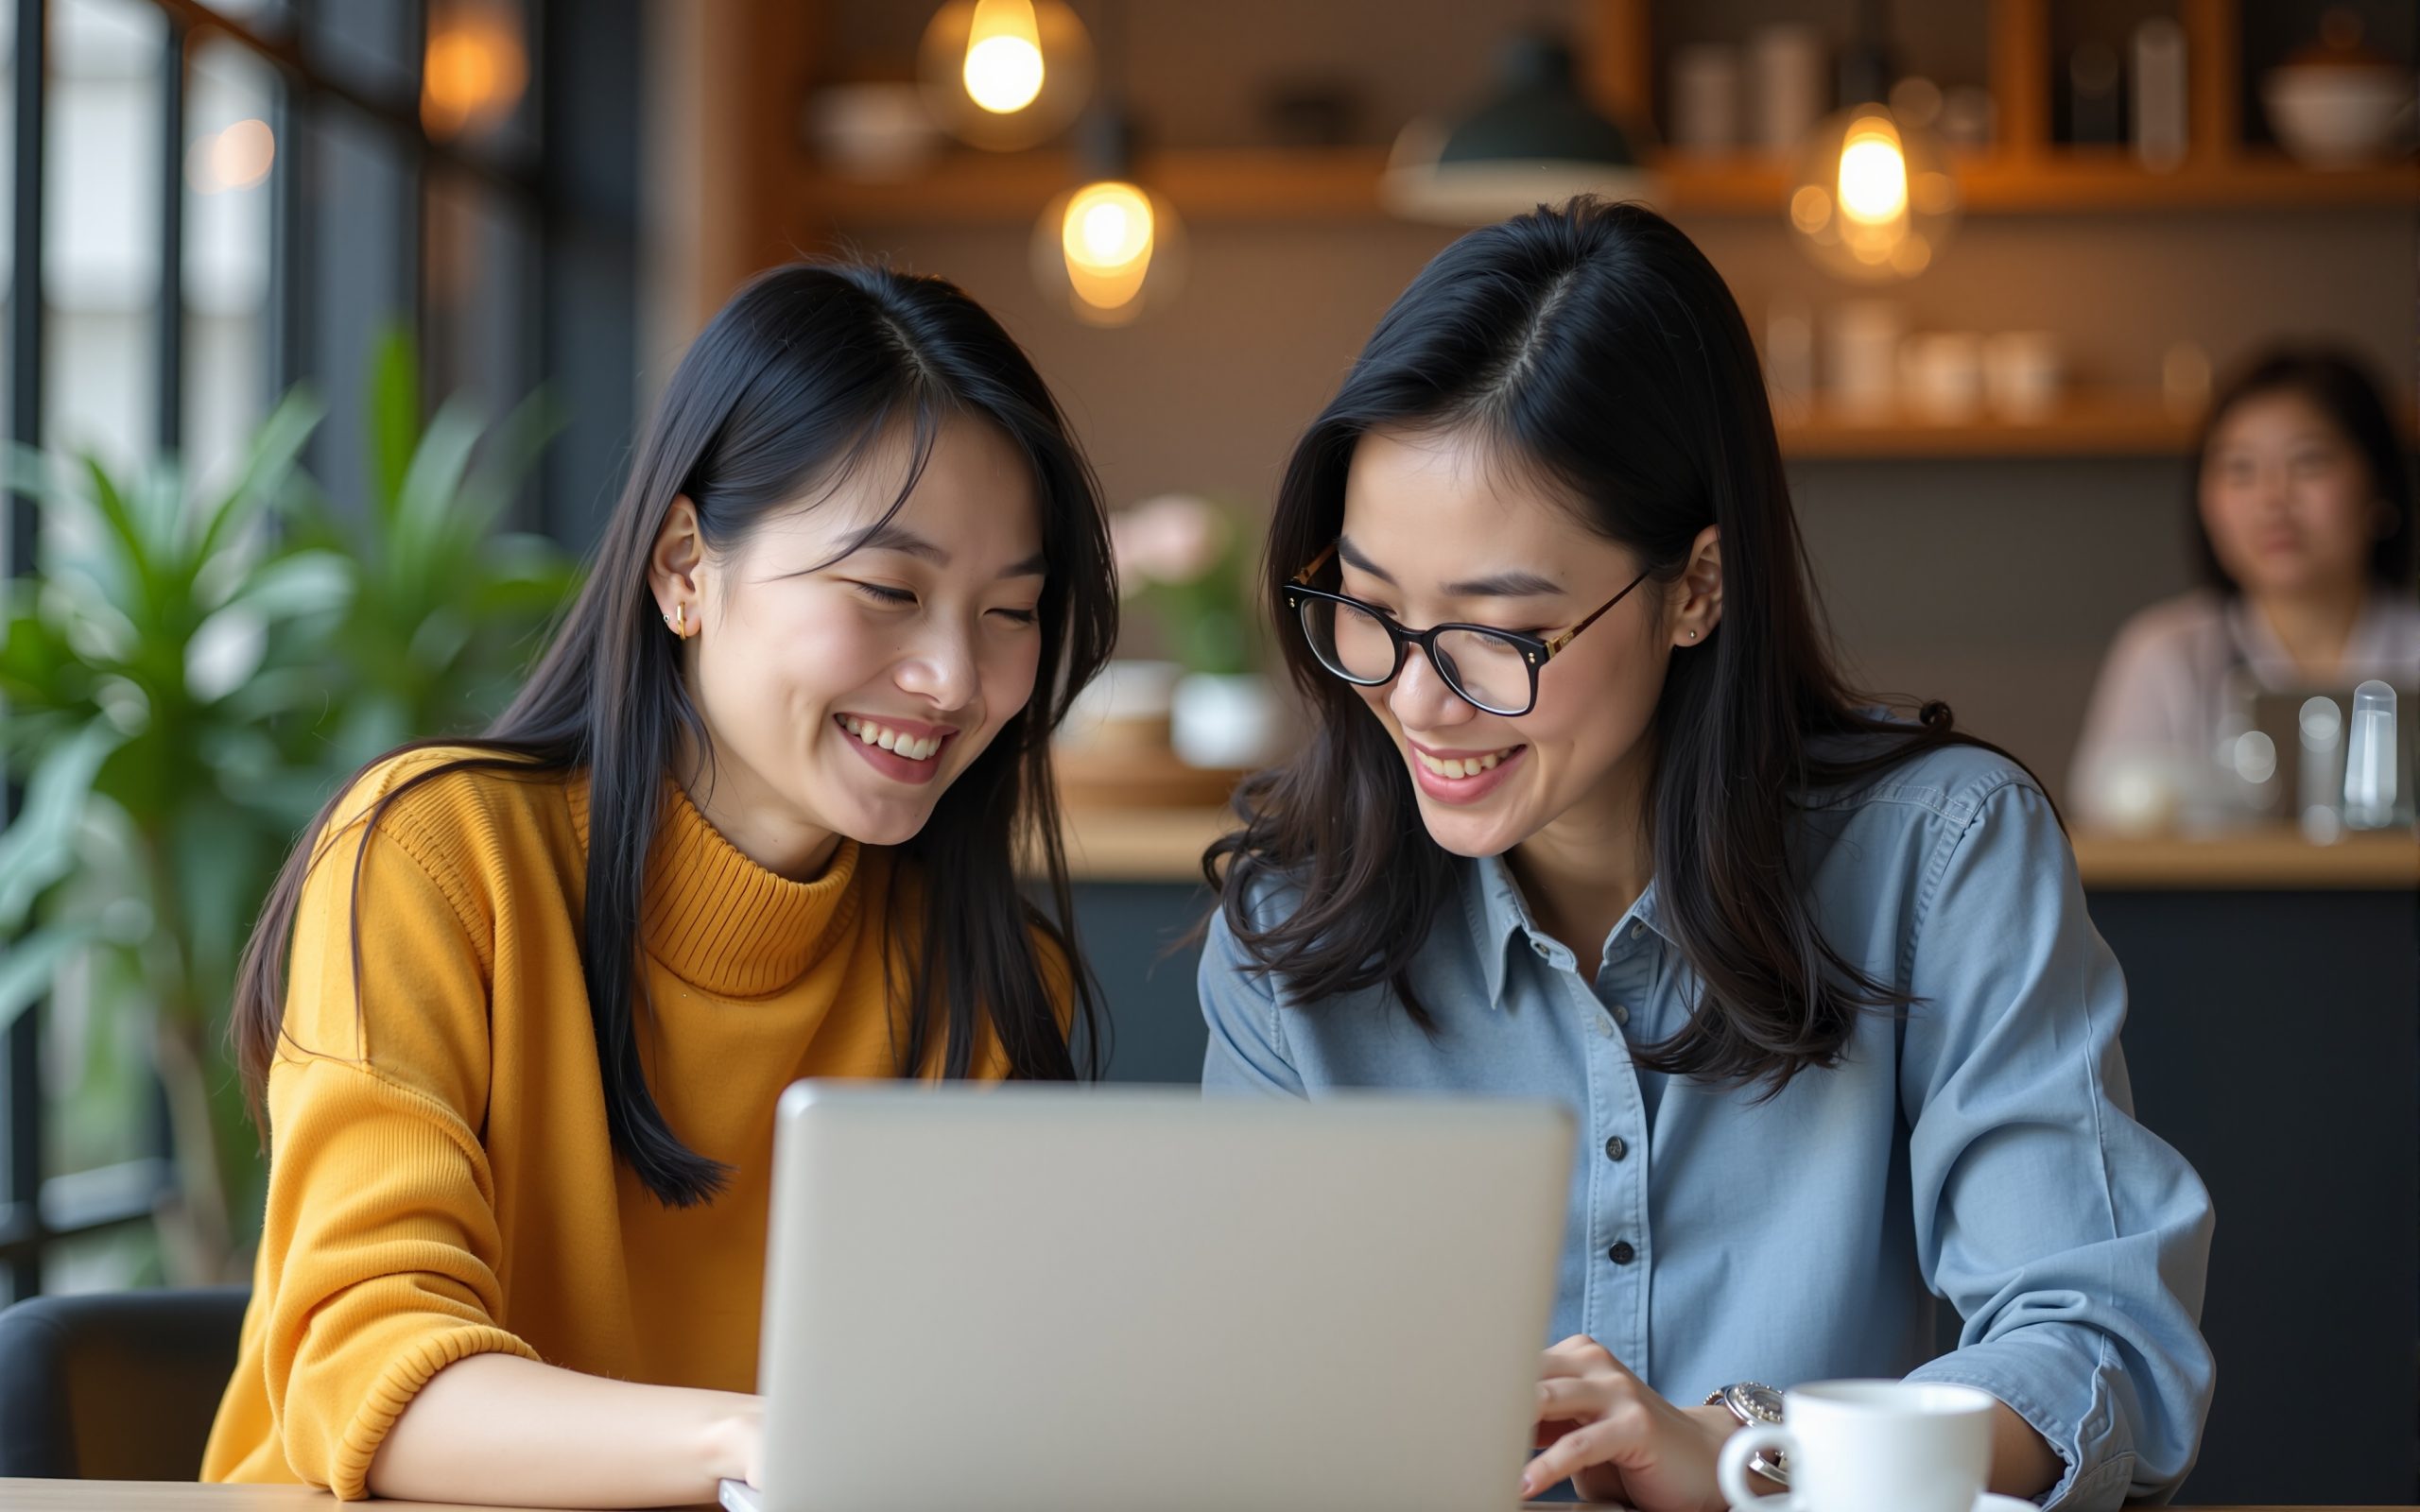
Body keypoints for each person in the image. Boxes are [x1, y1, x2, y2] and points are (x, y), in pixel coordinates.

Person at [1197, 198, 2213, 1512]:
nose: (1419, 702)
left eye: (1499, 635)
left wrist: (1750, 1454)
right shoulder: (1292, 930)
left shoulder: (1941, 861)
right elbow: (1247, 1408)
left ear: (1695, 588)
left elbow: (2095, 1355)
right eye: (1373, 611)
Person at [202, 262, 1116, 1506]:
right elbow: (367, 1373)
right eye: (888, 592)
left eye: (1011, 612)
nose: (956, 678)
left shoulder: (988, 979)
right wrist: (756, 1443)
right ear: (686, 566)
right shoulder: (437, 857)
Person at [2070, 346, 2418, 828]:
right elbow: (2110, 826)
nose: (2273, 498)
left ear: (2379, 487)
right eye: (2239, 469)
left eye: (2309, 462)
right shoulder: (2165, 653)